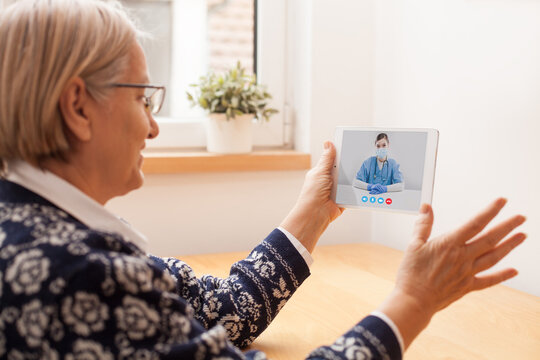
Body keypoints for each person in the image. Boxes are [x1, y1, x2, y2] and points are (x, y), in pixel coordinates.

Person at [0, 1, 526, 359]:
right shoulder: (78, 274)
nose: (154, 125)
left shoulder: (39, 225)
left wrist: (315, 210)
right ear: (77, 106)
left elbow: (221, 315)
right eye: (143, 98)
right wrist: (413, 300)